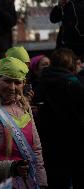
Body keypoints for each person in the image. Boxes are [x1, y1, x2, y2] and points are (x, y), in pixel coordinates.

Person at [0, 57, 47, 188]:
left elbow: (36, 149)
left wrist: (42, 182)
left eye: (17, 82)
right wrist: (12, 168)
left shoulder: (24, 106)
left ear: (24, 83)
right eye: (7, 81)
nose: (12, 87)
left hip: (27, 183)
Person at [38, 48, 84, 189]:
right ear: (70, 63)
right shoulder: (74, 84)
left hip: (49, 144)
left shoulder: (41, 81)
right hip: (76, 144)